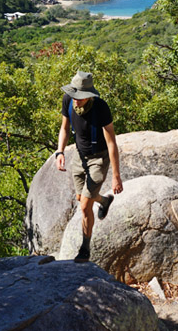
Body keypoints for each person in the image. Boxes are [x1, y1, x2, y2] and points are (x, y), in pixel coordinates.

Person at [54, 71, 122, 262]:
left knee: (84, 206)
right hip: (79, 155)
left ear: (90, 96)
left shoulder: (101, 108)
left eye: (81, 98)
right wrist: (60, 152)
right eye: (75, 96)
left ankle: (85, 248)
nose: (76, 101)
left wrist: (116, 175)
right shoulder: (68, 100)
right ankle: (104, 200)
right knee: (81, 197)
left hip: (98, 159)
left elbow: (111, 143)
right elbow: (64, 128)